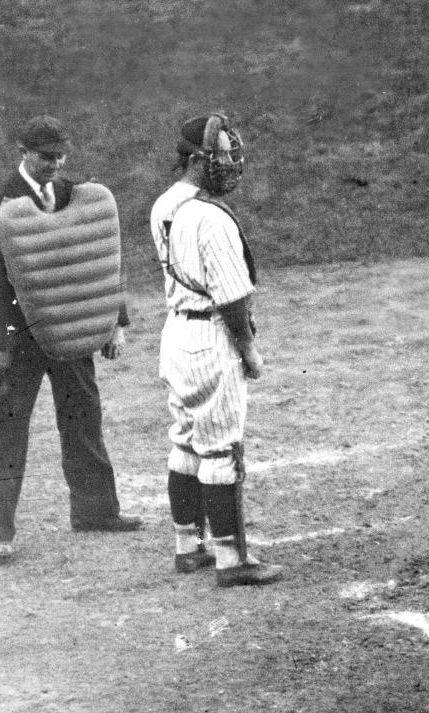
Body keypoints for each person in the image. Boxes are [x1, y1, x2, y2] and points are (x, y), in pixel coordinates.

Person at [0, 115, 142, 564]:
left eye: (60, 155)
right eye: (45, 156)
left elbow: (101, 259)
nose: (55, 164)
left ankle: (96, 511)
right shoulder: (0, 203)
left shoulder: (78, 197)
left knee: (84, 418)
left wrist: (115, 321)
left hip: (69, 329)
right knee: (9, 431)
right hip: (19, 339)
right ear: (23, 151)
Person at [149, 113, 281, 588]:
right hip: (209, 340)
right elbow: (231, 297)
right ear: (196, 160)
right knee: (222, 449)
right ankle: (232, 560)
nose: (229, 163)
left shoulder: (165, 205)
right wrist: (248, 349)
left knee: (185, 439)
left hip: (176, 335)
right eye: (221, 155)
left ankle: (188, 546)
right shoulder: (211, 218)